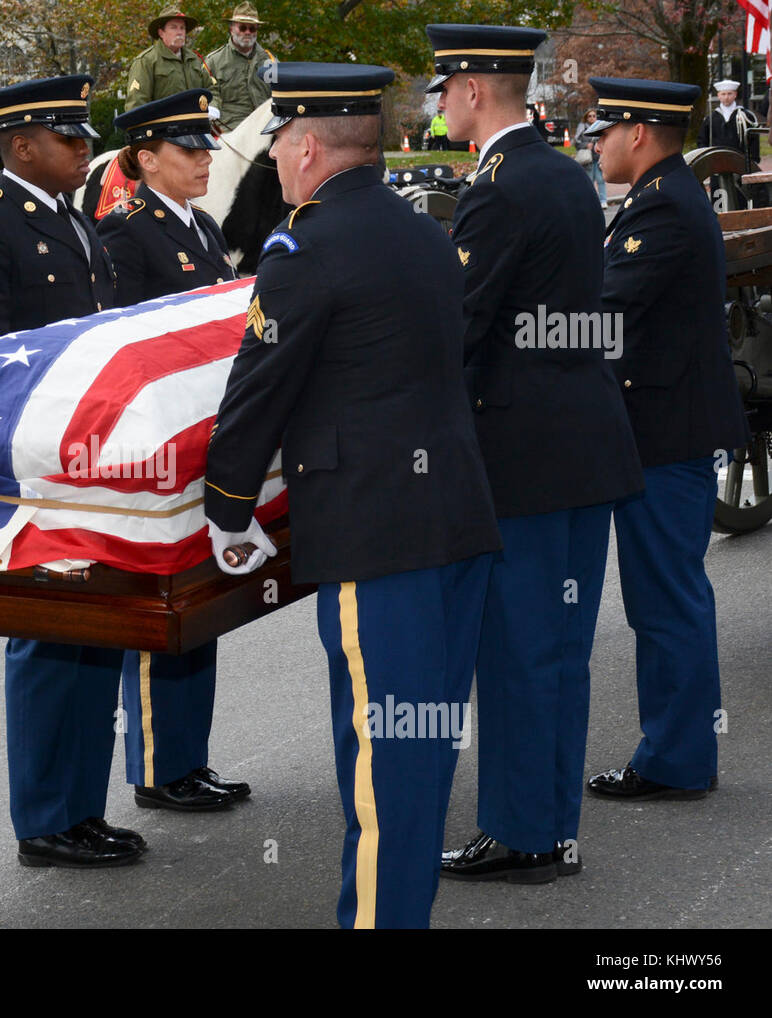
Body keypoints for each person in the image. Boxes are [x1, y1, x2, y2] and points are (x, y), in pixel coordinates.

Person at [203, 62, 501, 928]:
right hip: (454, 518)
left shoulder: (305, 246)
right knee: (420, 758)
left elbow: (257, 388)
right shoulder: (422, 229)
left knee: (382, 778)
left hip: (381, 541)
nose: (278, 167)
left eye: (278, 150)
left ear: (302, 146)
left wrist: (226, 506)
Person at [424, 24, 644, 885]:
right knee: (558, 648)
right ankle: (553, 827)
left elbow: (463, 327)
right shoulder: (559, 171)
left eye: (443, 89)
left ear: (476, 91)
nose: (435, 105)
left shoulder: (503, 186)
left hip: (523, 454)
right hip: (580, 447)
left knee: (517, 652)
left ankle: (522, 835)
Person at [0, 75, 144, 868]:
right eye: (70, 137)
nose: (87, 149)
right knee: (48, 639)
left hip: (90, 460)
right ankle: (45, 818)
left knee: (98, 631)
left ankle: (83, 808)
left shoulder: (78, 221)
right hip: (34, 467)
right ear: (22, 146)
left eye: (86, 136)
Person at [582, 78, 749, 802]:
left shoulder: (666, 211)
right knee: (666, 598)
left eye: (604, 132)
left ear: (639, 134)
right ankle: (677, 754)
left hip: (666, 435)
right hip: (661, 425)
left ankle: (677, 760)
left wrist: (520, 329)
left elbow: (602, 314)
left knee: (667, 601)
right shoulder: (662, 199)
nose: (596, 144)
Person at [96, 89, 248, 811]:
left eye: (206, 148)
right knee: (163, 603)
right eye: (189, 150)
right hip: (161, 445)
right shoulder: (127, 233)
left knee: (199, 603)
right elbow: (128, 349)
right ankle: (161, 766)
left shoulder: (205, 226)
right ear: (146, 158)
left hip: (206, 438)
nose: (204, 160)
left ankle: (189, 756)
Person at [126, 5, 220, 113]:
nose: (179, 32)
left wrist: (213, 107)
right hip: (163, 127)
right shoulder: (146, 61)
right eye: (173, 27)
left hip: (197, 124)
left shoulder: (195, 59)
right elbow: (136, 104)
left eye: (182, 28)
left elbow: (212, 89)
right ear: (161, 33)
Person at [204, 3, 274, 131]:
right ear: (231, 29)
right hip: (229, 133)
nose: (247, 32)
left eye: (252, 29)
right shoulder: (213, 62)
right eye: (242, 28)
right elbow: (207, 95)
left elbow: (278, 94)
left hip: (265, 130)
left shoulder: (270, 61)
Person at [697, 78, 760, 170]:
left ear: (735, 94)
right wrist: (707, 159)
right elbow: (702, 140)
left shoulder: (746, 116)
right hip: (717, 162)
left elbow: (754, 138)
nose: (726, 97)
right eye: (723, 94)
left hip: (741, 161)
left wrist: (754, 159)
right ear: (718, 95)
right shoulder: (710, 119)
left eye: (729, 94)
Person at [574, 108, 608, 208]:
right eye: (590, 116)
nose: (592, 118)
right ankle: (592, 201)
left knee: (601, 180)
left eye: (594, 116)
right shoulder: (582, 129)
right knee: (590, 181)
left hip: (598, 158)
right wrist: (586, 145)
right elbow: (576, 143)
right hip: (587, 159)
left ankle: (603, 200)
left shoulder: (600, 127)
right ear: (586, 117)